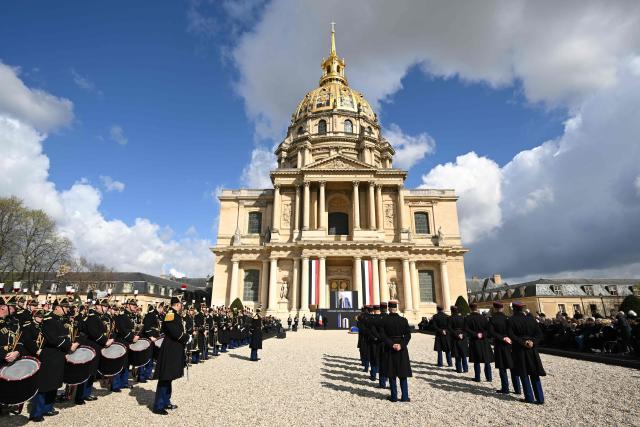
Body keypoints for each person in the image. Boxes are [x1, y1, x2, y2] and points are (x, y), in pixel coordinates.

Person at [29, 298, 78, 422]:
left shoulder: (59, 320)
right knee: (44, 385)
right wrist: (68, 346)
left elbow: (65, 336)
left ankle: (48, 408)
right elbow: (53, 339)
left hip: (59, 356)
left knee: (54, 383)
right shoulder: (48, 320)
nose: (67, 310)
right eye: (65, 307)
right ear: (57, 307)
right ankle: (36, 413)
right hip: (49, 356)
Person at [153, 296, 189, 415]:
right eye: (181, 304)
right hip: (170, 349)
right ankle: (158, 406)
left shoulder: (175, 315)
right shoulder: (171, 314)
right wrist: (186, 337)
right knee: (165, 377)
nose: (182, 306)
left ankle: (166, 401)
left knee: (169, 377)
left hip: (174, 349)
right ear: (177, 304)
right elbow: (175, 332)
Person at [75, 298, 113, 403]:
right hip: (90, 347)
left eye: (106, 307)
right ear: (97, 306)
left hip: (96, 347)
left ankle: (87, 393)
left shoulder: (100, 317)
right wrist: (105, 341)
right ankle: (79, 396)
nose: (106, 308)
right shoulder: (92, 318)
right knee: (86, 372)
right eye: (104, 306)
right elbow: (94, 333)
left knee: (92, 372)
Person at [508, 302, 546, 404]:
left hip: (519, 349)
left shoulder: (511, 320)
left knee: (523, 372)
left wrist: (522, 342)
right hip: (531, 349)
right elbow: (539, 334)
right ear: (522, 309)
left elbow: (511, 335)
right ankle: (540, 398)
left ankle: (529, 397)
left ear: (514, 309)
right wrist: (533, 342)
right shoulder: (531, 319)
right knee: (534, 372)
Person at [380, 300, 412, 402]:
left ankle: (394, 397)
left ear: (389, 308)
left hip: (390, 348)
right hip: (401, 348)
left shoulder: (384, 320)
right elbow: (408, 335)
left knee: (391, 373)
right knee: (403, 373)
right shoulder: (403, 320)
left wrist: (392, 344)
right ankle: (405, 396)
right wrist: (401, 345)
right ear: (396, 308)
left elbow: (383, 335)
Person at [488, 301, 521, 395]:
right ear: (502, 308)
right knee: (512, 367)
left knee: (502, 368)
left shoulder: (492, 319)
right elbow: (513, 331)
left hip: (499, 345)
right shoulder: (508, 318)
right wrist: (508, 338)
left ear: (494, 308)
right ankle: (517, 389)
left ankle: (505, 388)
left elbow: (491, 332)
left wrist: (502, 338)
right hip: (510, 344)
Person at [111, 299, 139, 392]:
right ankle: (115, 385)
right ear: (128, 305)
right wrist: (132, 338)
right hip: (122, 342)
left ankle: (124, 382)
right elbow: (122, 330)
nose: (135, 306)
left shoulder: (132, 315)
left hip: (129, 342)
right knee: (119, 363)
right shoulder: (122, 316)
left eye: (135, 304)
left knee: (127, 363)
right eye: (132, 304)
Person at [465, 303, 494, 382]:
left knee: (476, 360)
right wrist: (482, 334)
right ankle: (489, 377)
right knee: (486, 360)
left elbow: (466, 329)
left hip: (474, 340)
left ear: (470, 309)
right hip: (484, 340)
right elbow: (488, 330)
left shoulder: (468, 318)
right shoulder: (483, 318)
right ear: (477, 308)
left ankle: (477, 377)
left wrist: (475, 334)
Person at [448, 306, 469, 373]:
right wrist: (463, 334)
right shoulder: (463, 318)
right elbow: (466, 328)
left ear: (451, 311)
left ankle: (459, 369)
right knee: (463, 354)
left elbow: (449, 328)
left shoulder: (450, 318)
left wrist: (457, 335)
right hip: (462, 337)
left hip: (455, 337)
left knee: (457, 354)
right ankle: (465, 369)